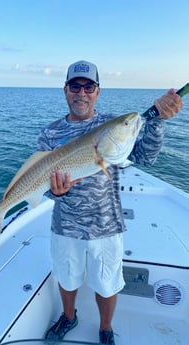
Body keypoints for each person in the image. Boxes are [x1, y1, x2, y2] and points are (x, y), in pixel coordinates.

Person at [37, 60, 182, 345]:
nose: (82, 92)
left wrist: (158, 122)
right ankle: (69, 317)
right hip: (65, 226)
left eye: (88, 86)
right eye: (75, 86)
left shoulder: (112, 125)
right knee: (67, 281)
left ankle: (105, 328)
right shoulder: (49, 134)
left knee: (107, 284)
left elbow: (145, 157)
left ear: (97, 91)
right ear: (65, 90)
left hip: (106, 225)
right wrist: (56, 192)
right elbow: (43, 187)